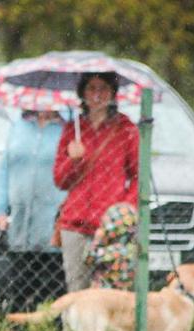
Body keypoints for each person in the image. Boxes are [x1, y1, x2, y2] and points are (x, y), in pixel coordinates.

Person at [53, 72, 139, 292]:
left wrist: (123, 211)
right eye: (91, 88)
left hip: (110, 227)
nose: (97, 95)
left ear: (112, 93)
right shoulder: (73, 129)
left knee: (111, 292)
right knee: (77, 290)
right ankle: (73, 328)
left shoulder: (126, 129)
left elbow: (139, 176)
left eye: (103, 89)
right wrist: (74, 161)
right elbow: (60, 180)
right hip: (75, 222)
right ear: (83, 93)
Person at [0, 108, 67, 312]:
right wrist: (0, 208)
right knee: (19, 289)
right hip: (20, 222)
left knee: (52, 291)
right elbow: (5, 169)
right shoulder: (19, 125)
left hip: (52, 223)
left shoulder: (68, 128)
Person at [85, 202, 138, 290]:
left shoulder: (118, 249)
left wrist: (98, 239)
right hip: (123, 293)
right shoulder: (133, 247)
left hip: (107, 293)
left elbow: (88, 257)